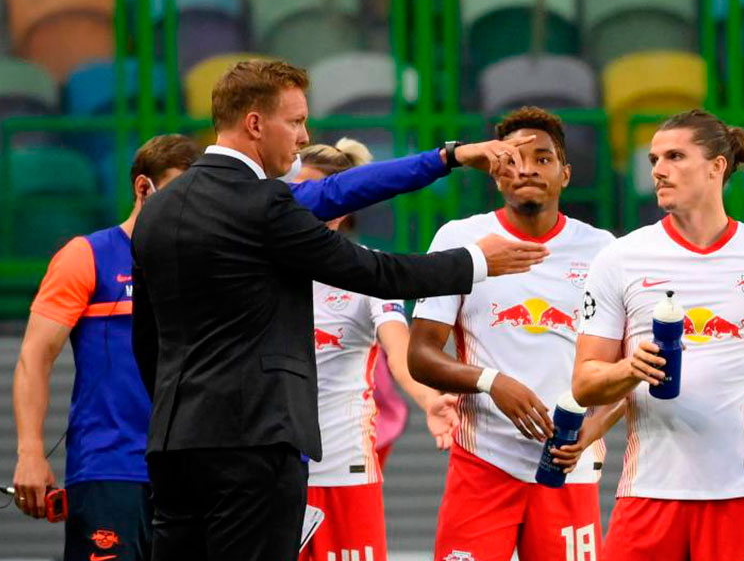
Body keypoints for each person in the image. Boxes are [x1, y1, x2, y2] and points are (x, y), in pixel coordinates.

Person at [130, 59, 548, 561]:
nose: (305, 137)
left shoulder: (158, 210)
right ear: (256, 124)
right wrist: (477, 260)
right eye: (297, 121)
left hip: (174, 443)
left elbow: (147, 339)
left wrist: (449, 157)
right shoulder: (263, 206)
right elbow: (374, 273)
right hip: (256, 442)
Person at [572, 110, 744, 560]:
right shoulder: (620, 258)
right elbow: (585, 381)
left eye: (675, 156)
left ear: (717, 166)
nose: (658, 170)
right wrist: (630, 369)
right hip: (647, 497)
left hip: (739, 497)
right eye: (653, 159)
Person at [409, 106, 621, 561]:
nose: (526, 168)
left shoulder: (605, 251)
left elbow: (634, 368)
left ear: (565, 174)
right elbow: (421, 356)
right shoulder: (459, 240)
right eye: (513, 159)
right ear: (496, 174)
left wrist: (592, 431)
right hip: (483, 463)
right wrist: (491, 381)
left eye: (542, 159)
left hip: (568, 469)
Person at [11, 135, 199, 561]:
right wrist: (29, 453)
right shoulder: (87, 256)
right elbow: (33, 360)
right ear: (142, 188)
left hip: (191, 473)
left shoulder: (203, 265)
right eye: (178, 193)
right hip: (110, 469)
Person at [293, 139, 460, 561]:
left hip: (344, 464)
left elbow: (399, 350)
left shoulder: (368, 269)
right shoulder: (262, 271)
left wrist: (427, 398)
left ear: (343, 208)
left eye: (318, 195)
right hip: (273, 470)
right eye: (297, 194)